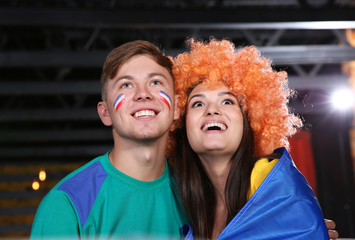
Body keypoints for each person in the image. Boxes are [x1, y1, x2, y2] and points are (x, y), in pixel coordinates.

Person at [168, 38, 338, 239]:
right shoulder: (176, 201)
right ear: (181, 124)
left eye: (227, 101)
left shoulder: (278, 186)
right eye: (197, 104)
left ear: (250, 121)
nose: (212, 110)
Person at [30, 40, 188, 239]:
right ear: (105, 113)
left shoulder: (195, 196)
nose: (143, 94)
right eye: (126, 85)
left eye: (155, 82)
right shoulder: (66, 204)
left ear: (176, 107)